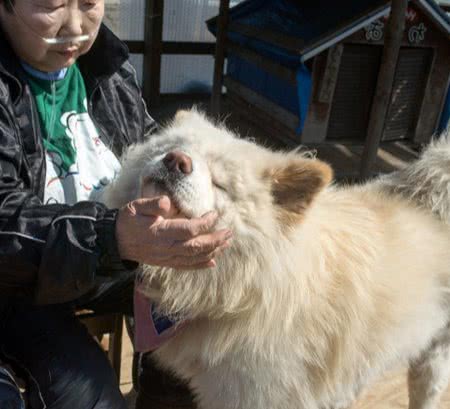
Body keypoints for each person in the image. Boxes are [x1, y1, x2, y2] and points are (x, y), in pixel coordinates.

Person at [0, 1, 232, 408]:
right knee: (87, 394)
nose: (75, 27)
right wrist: (110, 237)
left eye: (89, 3)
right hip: (19, 283)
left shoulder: (106, 62)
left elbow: (144, 142)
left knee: (209, 326)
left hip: (111, 258)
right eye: (53, 5)